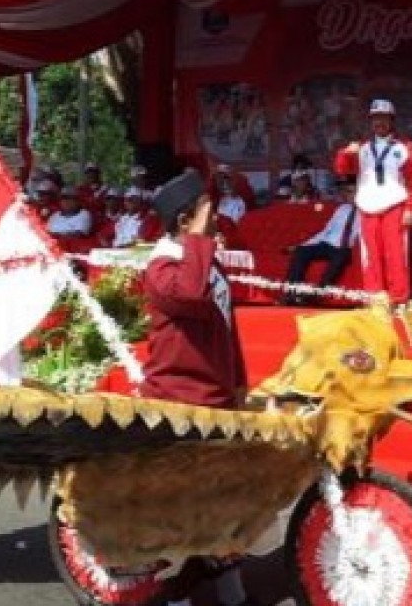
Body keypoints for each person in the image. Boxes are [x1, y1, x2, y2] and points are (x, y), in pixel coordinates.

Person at [141, 170, 257, 606]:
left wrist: (240, 380)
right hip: (179, 404)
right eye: (209, 214)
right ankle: (174, 593)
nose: (216, 221)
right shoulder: (162, 269)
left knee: (229, 503)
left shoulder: (202, 260)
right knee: (190, 509)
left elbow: (227, 325)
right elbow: (189, 294)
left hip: (216, 397)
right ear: (185, 219)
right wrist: (197, 236)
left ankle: (230, 593)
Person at [333, 98, 412, 305]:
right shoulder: (362, 149)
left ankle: (399, 298)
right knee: (370, 255)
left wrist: (411, 208)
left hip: (395, 206)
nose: (379, 123)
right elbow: (342, 169)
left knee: (395, 254)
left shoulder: (404, 148)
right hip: (367, 207)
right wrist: (346, 153)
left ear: (391, 121)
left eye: (383, 118)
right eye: (375, 119)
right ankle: (375, 298)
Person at [280, 180, 360, 305]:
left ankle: (317, 295)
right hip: (326, 244)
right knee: (301, 252)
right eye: (346, 191)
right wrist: (303, 244)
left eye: (350, 191)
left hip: (345, 248)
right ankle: (293, 292)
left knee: (340, 257)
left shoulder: (367, 213)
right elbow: (326, 231)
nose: (346, 195)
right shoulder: (342, 209)